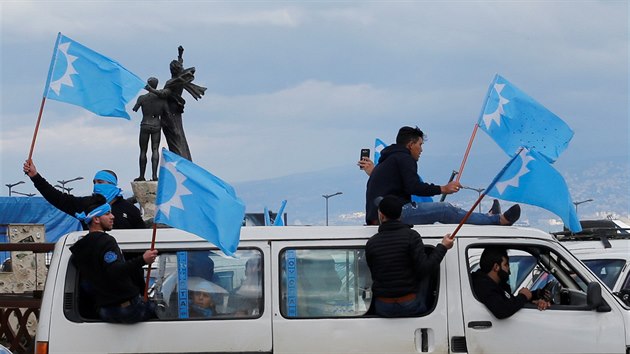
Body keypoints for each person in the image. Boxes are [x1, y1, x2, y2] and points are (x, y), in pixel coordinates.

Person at [364, 126, 520, 226]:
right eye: (420, 145)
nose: (421, 150)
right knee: (444, 209)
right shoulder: (404, 158)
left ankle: (489, 217)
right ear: (410, 144)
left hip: (378, 215)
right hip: (392, 214)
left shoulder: (390, 159)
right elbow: (414, 186)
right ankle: (497, 220)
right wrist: (443, 189)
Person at [69, 195, 158, 323]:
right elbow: (115, 270)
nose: (113, 216)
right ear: (96, 219)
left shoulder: (80, 247)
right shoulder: (106, 241)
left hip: (103, 310)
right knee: (163, 313)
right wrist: (143, 260)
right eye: (107, 213)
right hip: (127, 308)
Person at [365, 195, 455, 317]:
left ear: (381, 216)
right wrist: (443, 247)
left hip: (383, 306)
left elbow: (373, 273)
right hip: (409, 303)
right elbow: (425, 268)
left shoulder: (372, 243)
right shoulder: (411, 236)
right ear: (401, 215)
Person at [23, 160, 145, 229]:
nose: (96, 186)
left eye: (100, 182)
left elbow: (143, 238)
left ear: (112, 185)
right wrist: (35, 177)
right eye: (94, 182)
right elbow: (57, 198)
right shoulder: (87, 204)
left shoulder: (130, 210)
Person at [145, 46, 207, 161]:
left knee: (175, 136)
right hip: (175, 111)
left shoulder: (172, 82)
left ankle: (181, 159)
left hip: (170, 112)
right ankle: (185, 159)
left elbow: (163, 94)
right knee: (179, 134)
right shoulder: (179, 78)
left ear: (172, 70)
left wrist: (150, 89)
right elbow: (180, 67)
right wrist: (180, 55)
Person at [471, 247, 550, 319]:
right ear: (496, 267)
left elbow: (509, 303)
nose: (509, 270)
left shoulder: (494, 285)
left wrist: (532, 300)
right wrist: (523, 297)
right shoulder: (482, 285)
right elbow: (502, 310)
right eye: (506, 265)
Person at [133, 77, 170, 182]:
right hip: (156, 125)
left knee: (143, 151)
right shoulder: (162, 100)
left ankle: (141, 175)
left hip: (145, 124)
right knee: (155, 150)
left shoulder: (142, 98)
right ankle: (154, 175)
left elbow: (135, 109)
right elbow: (167, 113)